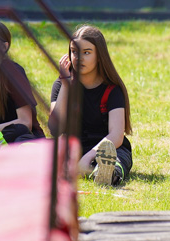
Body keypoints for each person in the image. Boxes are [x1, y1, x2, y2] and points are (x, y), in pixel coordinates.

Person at [51, 25, 133, 186]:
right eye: (74, 51)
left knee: (115, 161)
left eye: (86, 52)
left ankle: (106, 173)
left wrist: (88, 157)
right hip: (73, 148)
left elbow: (116, 136)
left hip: (108, 149)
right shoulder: (61, 84)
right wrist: (66, 85)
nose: (78, 58)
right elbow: (55, 129)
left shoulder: (112, 90)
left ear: (99, 56)